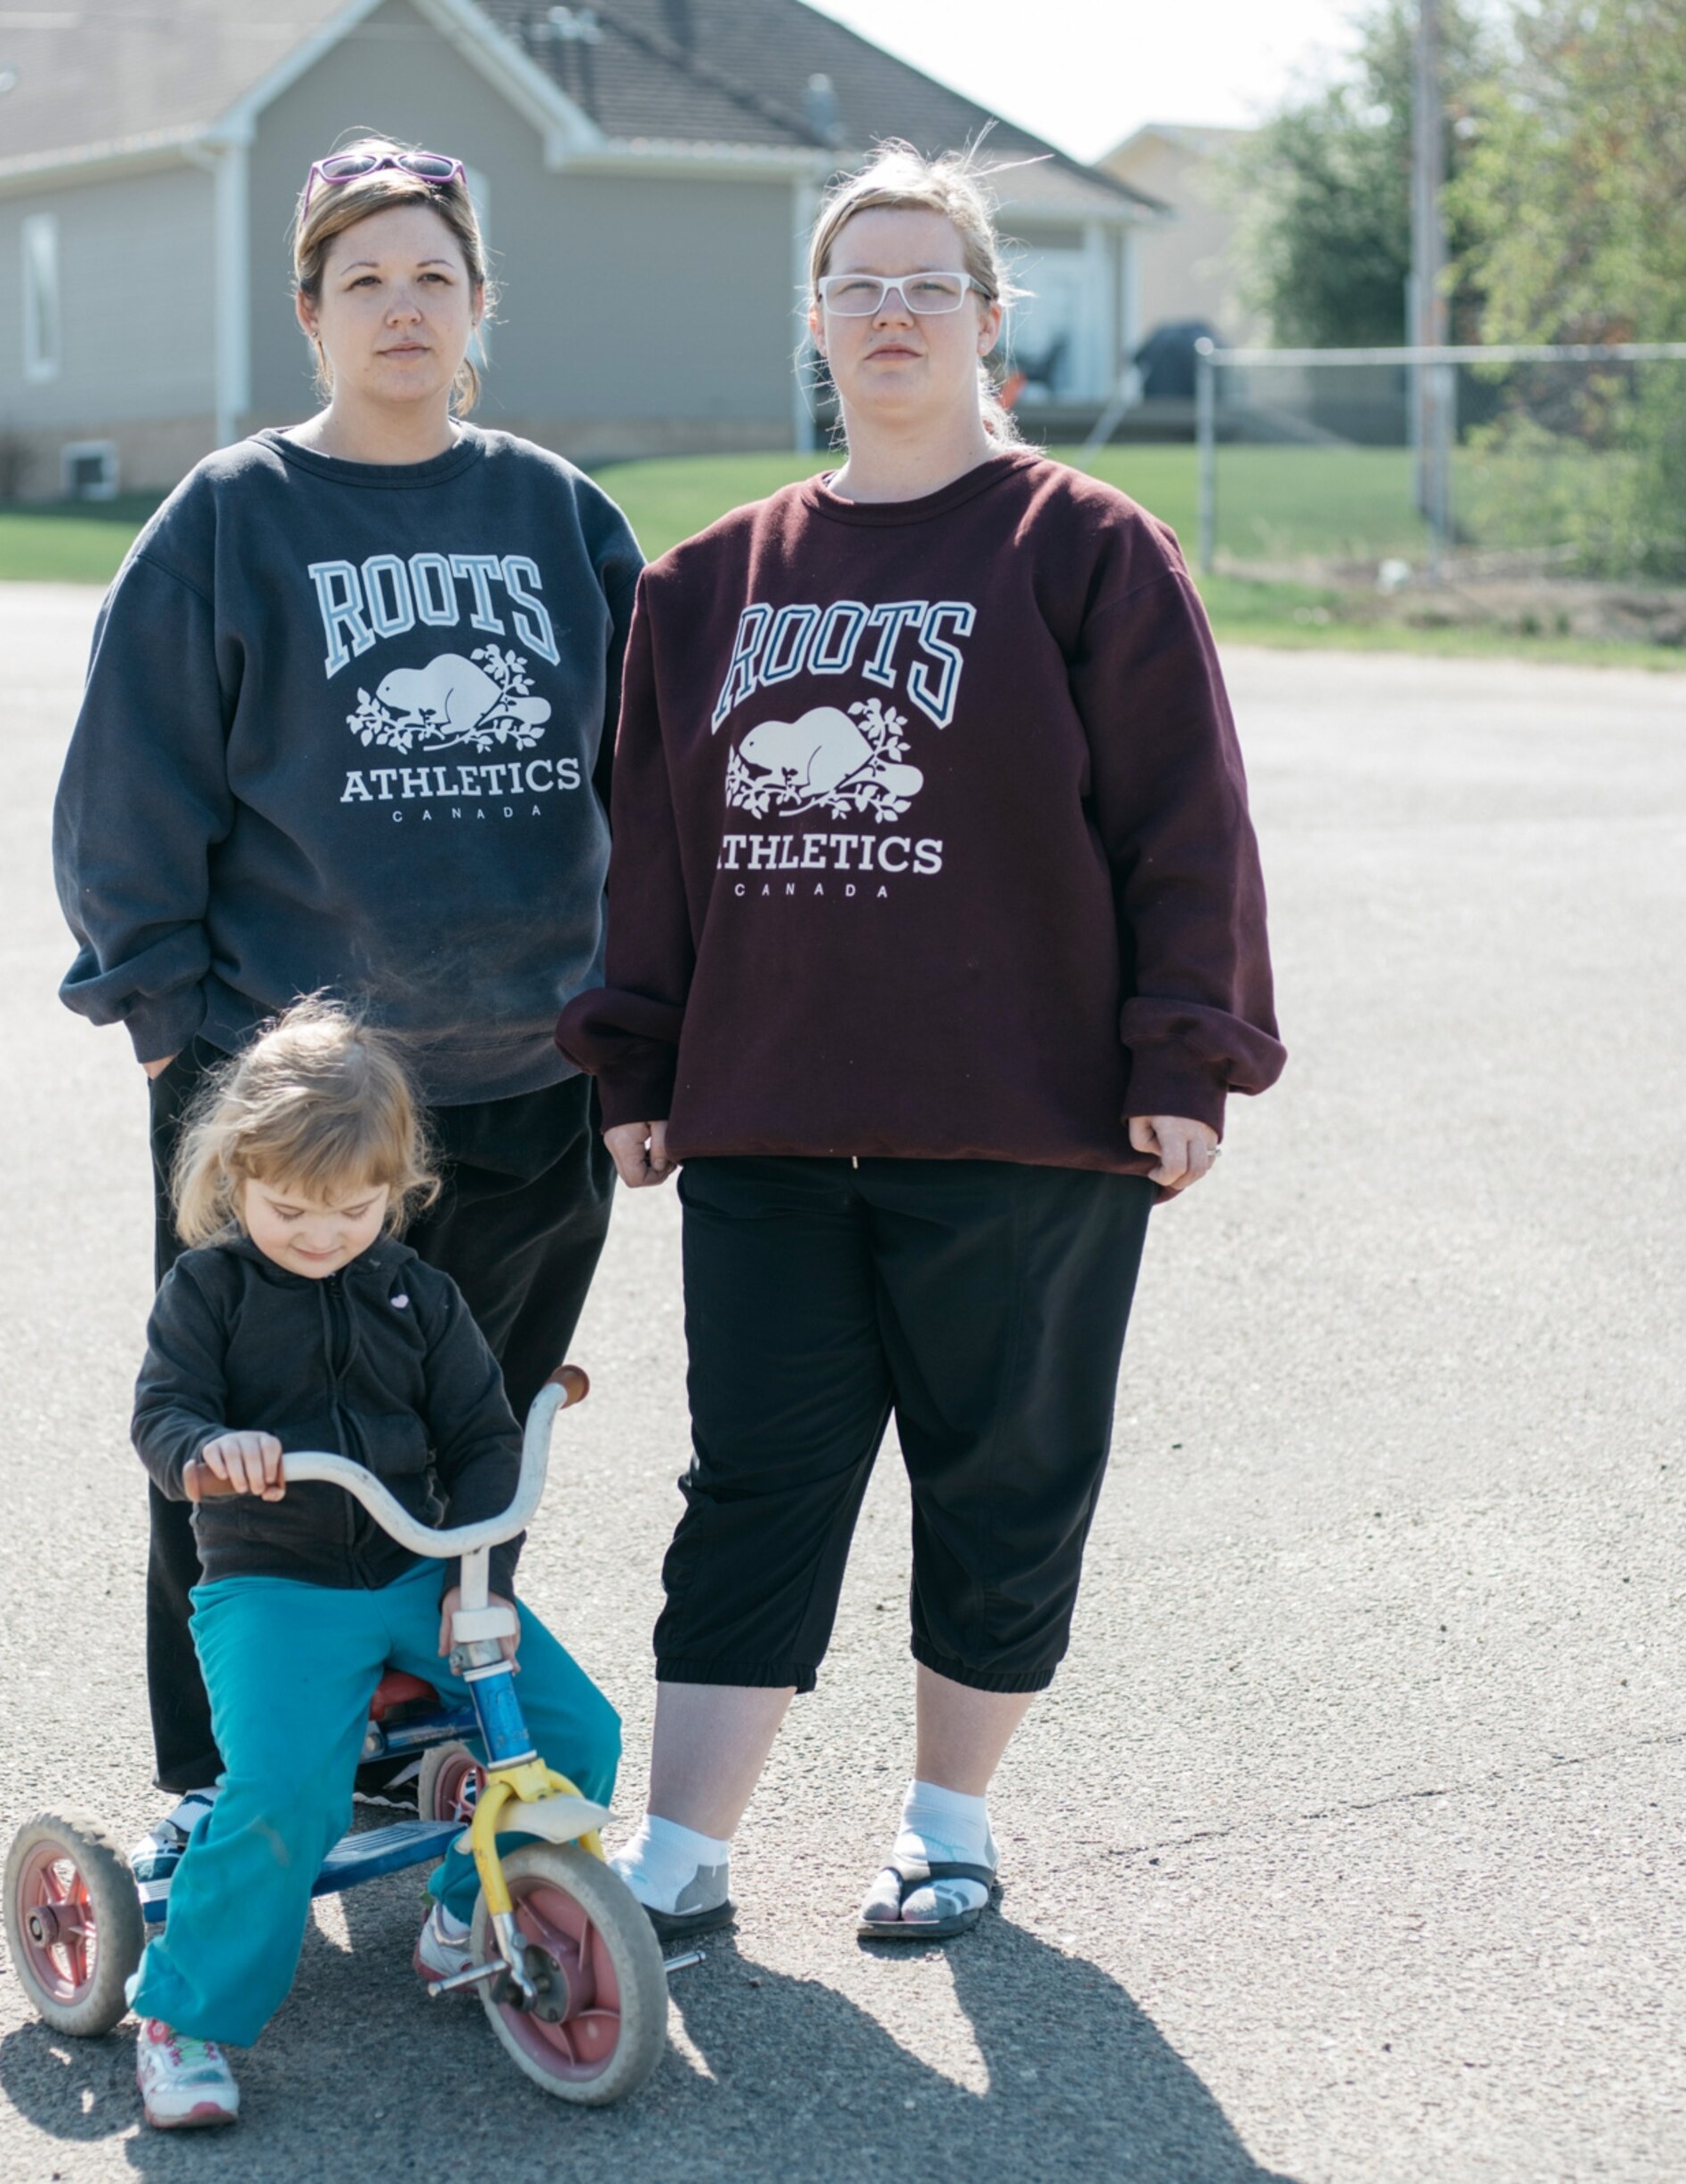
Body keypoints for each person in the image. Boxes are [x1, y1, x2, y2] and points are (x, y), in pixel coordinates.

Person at [558, 142, 1285, 1946]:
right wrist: (636, 1059)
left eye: (927, 284)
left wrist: (1184, 1055)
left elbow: (1185, 823)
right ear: (814, 321)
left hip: (1022, 1119)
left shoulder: (1085, 548)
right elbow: (653, 847)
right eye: (859, 285)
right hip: (769, 1115)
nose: (893, 312)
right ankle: (681, 1850)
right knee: (755, 1480)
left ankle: (946, 1820)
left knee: (1003, 1475)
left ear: (985, 318)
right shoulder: (705, 584)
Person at [52, 137, 642, 1849]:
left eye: (431, 276)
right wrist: (169, 1032)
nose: (401, 307)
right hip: (294, 1099)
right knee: (246, 1451)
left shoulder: (560, 517)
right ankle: (221, 1775)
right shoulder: (232, 517)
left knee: (474, 1439)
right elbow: (127, 791)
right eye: (363, 278)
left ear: (478, 307)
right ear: (308, 312)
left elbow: (650, 787)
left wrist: (630, 1030)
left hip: (529, 1081)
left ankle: (427, 1730)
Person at [121, 999, 621, 2128]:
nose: (322, 1234)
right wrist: (209, 1450)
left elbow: (483, 1440)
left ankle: (467, 1908)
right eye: (290, 1209)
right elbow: (162, 1418)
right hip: (273, 1586)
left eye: (354, 1209)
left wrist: (477, 1575)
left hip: (415, 1569)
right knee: (284, 1795)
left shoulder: (417, 1295)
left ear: (395, 1189)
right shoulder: (209, 1292)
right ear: (237, 1178)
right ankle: (183, 2017)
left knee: (576, 1732)